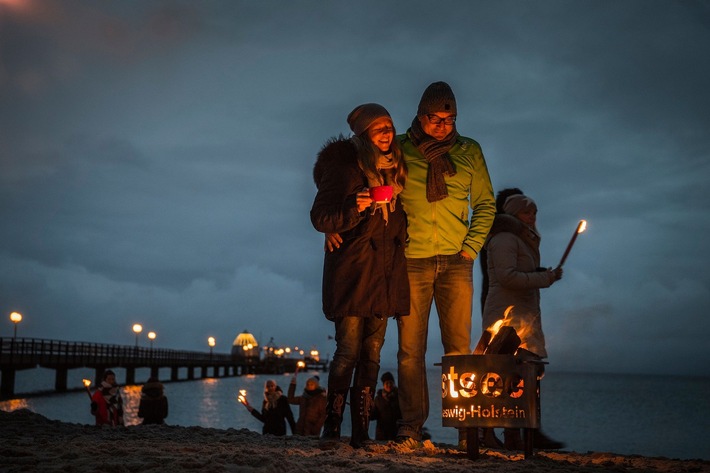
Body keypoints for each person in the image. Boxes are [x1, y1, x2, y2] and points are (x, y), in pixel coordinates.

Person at [394, 81, 496, 448]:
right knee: (409, 351)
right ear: (421, 115)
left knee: (458, 350)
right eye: (434, 118)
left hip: (457, 261)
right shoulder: (401, 149)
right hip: (412, 261)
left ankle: (465, 424)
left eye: (448, 119)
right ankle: (411, 425)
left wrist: (470, 249)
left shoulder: (470, 151)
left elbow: (486, 204)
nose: (441, 125)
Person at [310, 103, 409, 448]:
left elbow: (398, 223)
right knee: (348, 350)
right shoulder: (345, 166)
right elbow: (321, 217)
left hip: (383, 276)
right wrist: (357, 206)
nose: (387, 132)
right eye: (378, 127)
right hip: (351, 273)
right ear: (363, 133)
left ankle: (362, 430)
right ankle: (333, 424)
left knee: (372, 353)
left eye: (389, 126)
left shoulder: (396, 171)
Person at [482, 193, 564, 450]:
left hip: (523, 315)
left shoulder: (522, 240)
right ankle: (505, 434)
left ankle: (515, 436)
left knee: (522, 374)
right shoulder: (505, 238)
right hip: (507, 316)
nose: (533, 217)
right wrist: (545, 279)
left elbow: (519, 273)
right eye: (528, 212)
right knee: (509, 375)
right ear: (514, 214)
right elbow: (507, 277)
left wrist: (541, 274)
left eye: (535, 212)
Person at [370, 371, 401, 441]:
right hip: (381, 434)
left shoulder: (399, 397)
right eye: (387, 383)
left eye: (391, 382)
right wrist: (369, 409)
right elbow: (373, 416)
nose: (389, 385)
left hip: (396, 433)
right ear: (383, 384)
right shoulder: (378, 398)